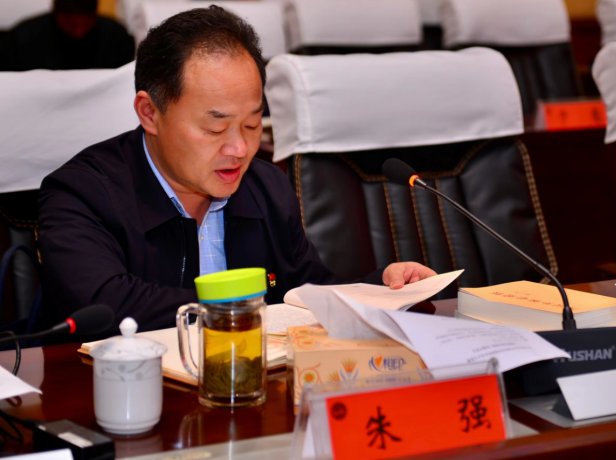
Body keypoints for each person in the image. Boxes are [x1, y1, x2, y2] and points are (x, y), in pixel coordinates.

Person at [38, 6, 436, 337]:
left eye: (251, 124)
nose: (240, 150)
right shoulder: (80, 194)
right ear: (150, 113)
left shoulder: (265, 186)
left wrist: (380, 287)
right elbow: (105, 306)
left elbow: (304, 291)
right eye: (215, 128)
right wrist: (246, 308)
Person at [8, 0, 134, 71]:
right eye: (70, 24)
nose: (78, 31)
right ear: (56, 15)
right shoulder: (24, 36)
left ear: (94, 16)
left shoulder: (116, 36)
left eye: (84, 24)